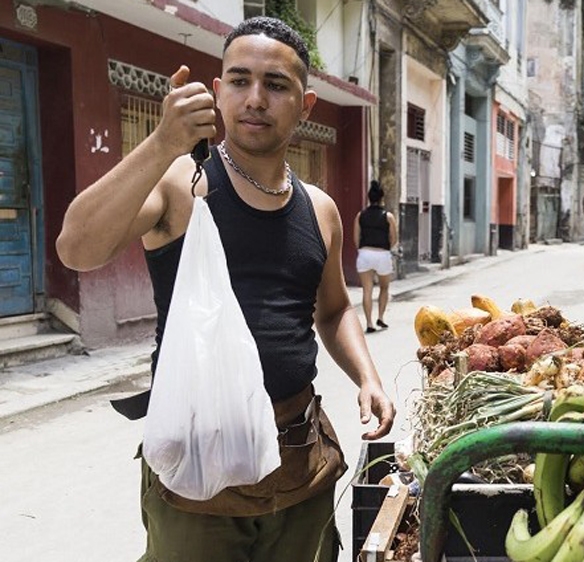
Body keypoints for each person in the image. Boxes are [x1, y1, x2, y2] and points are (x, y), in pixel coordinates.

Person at [56, 17, 394, 562]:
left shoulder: (321, 209)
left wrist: (368, 376)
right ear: (217, 92)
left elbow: (332, 311)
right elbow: (77, 247)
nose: (255, 99)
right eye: (239, 81)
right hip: (197, 472)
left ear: (305, 104)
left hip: (297, 460)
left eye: (276, 85)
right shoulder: (180, 187)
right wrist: (164, 142)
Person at [355, 181, 398, 333]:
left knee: (367, 290)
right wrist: (387, 248)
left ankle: (369, 324)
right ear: (381, 198)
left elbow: (356, 238)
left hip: (365, 254)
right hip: (382, 254)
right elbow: (394, 238)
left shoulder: (360, 215)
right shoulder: (388, 216)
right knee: (384, 287)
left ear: (369, 198)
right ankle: (380, 317)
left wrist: (364, 250)